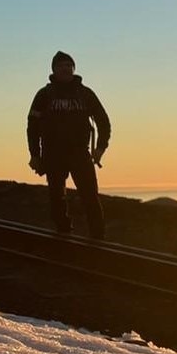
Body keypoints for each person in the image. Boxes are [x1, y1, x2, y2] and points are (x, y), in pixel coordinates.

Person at [27, 51, 111, 239]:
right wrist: (35, 154)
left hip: (80, 153)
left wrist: (100, 148)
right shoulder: (44, 95)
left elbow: (103, 121)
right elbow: (32, 126)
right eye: (61, 66)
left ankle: (98, 238)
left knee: (90, 196)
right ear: (54, 70)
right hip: (52, 153)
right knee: (57, 198)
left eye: (69, 65)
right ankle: (63, 234)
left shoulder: (86, 94)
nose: (65, 69)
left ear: (74, 69)